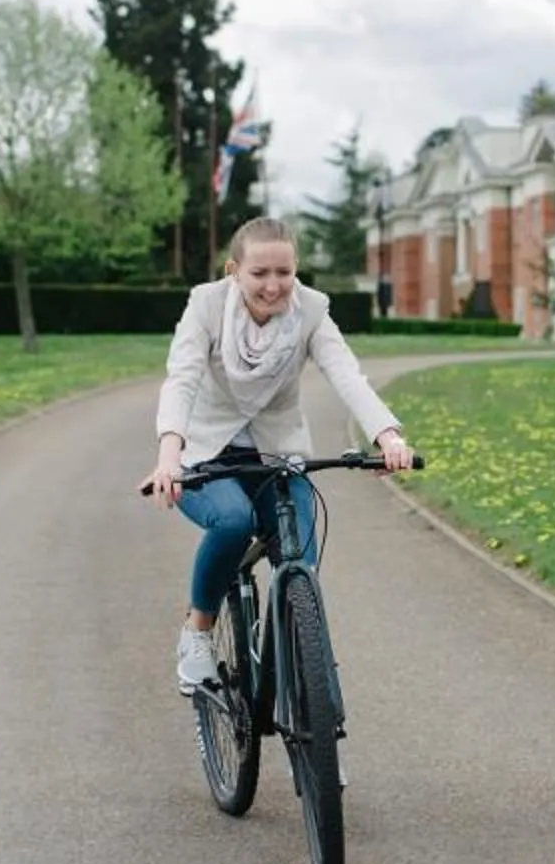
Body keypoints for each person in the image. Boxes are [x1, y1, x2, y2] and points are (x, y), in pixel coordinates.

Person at [144, 218, 416, 693]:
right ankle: (199, 631)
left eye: (284, 272)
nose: (273, 286)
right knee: (232, 520)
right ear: (234, 271)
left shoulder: (311, 311)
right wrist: (170, 456)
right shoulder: (205, 305)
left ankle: (321, 735)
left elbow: (346, 374)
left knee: (301, 572)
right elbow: (182, 379)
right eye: (260, 273)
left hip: (279, 454)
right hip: (207, 452)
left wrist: (387, 435)